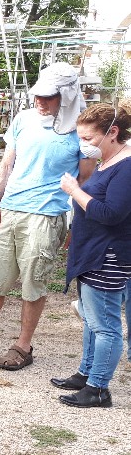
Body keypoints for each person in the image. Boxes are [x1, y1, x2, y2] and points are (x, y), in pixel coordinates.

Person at [0, 62, 96, 369]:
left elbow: (86, 181)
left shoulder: (80, 130)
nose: (40, 102)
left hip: (46, 215)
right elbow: (6, 165)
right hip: (10, 209)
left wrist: (74, 223)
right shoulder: (24, 119)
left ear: (66, 96)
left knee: (33, 281)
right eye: (38, 95)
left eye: (49, 97)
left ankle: (23, 346)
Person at [50, 102, 131, 407]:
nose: (83, 145)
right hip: (91, 254)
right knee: (91, 321)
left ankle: (99, 389)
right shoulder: (107, 162)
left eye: (89, 138)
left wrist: (75, 191)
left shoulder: (127, 167)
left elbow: (111, 214)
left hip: (107, 257)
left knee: (105, 326)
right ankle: (86, 374)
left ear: (112, 133)